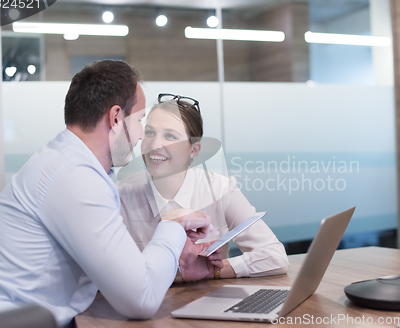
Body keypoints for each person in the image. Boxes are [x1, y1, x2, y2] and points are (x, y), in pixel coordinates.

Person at [0, 61, 223, 327]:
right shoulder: (75, 178)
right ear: (116, 118)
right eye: (140, 120)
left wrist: (176, 263)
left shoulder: (66, 162)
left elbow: (123, 275)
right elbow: (140, 300)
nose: (142, 135)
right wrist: (172, 225)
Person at [116, 94, 289, 280]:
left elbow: (275, 256)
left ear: (194, 150)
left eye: (170, 136)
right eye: (150, 133)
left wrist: (213, 270)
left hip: (211, 302)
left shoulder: (220, 189)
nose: (155, 145)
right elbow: (107, 272)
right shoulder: (121, 194)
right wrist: (179, 273)